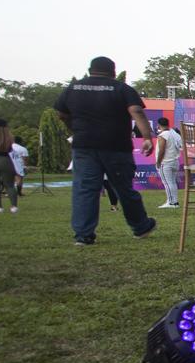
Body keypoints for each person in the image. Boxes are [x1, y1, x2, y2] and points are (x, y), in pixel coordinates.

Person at [55, 56, 156, 246]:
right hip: (116, 145)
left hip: (84, 145)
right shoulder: (121, 88)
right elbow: (136, 111)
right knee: (123, 187)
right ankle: (141, 226)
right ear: (113, 72)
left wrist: (76, 129)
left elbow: (61, 114)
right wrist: (147, 138)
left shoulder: (73, 88)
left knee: (85, 189)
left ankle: (84, 235)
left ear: (90, 70)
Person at [0, 119, 19, 213]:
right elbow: (10, 149)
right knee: (9, 184)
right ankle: (14, 207)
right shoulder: (9, 137)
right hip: (4, 159)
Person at [154, 117, 183, 209]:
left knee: (167, 183)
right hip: (175, 161)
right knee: (172, 182)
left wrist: (158, 162)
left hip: (166, 162)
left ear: (158, 125)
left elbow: (161, 150)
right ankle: (174, 201)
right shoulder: (174, 133)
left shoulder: (163, 135)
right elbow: (181, 146)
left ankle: (171, 203)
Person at [8, 132, 28, 197]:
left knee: (9, 179)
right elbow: (25, 159)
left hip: (8, 164)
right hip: (18, 165)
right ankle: (19, 192)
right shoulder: (23, 149)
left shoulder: (8, 147)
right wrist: (25, 167)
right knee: (19, 179)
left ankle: (8, 192)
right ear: (20, 141)